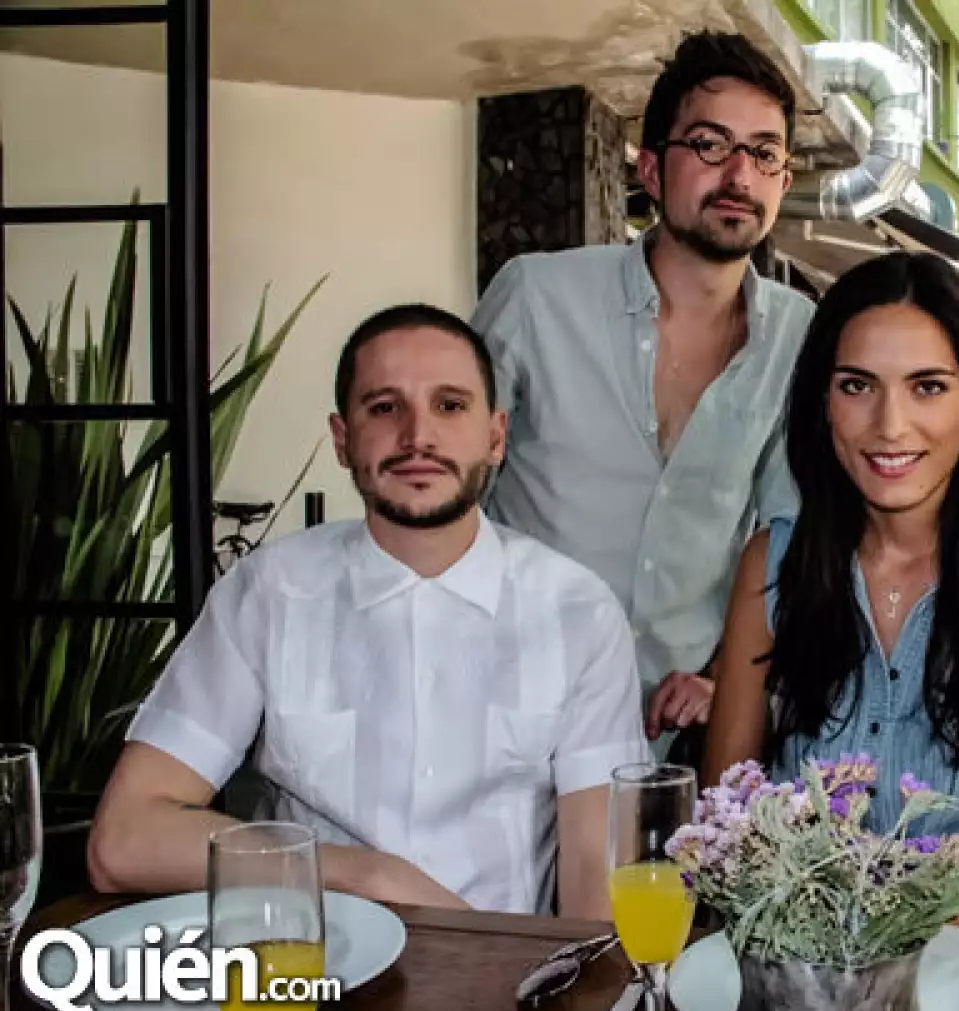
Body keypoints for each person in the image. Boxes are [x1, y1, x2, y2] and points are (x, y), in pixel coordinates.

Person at [88, 305, 651, 918]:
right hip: (309, 974)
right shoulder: (271, 592)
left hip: (501, 987)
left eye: (450, 406)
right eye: (384, 408)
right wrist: (362, 875)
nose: (418, 437)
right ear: (341, 438)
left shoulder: (578, 612)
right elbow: (122, 840)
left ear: (495, 436)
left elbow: (600, 884)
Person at [701, 252, 959, 875]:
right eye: (857, 386)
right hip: (788, 960)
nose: (890, 425)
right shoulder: (772, 563)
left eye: (928, 387)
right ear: (824, 402)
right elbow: (727, 819)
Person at [472, 31, 814, 749]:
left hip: (676, 736)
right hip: (512, 711)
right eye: (711, 145)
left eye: (763, 152)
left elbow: (788, 534)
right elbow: (453, 491)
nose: (739, 175)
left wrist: (727, 673)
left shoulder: (798, 334)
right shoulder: (537, 297)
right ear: (652, 171)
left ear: (783, 181)